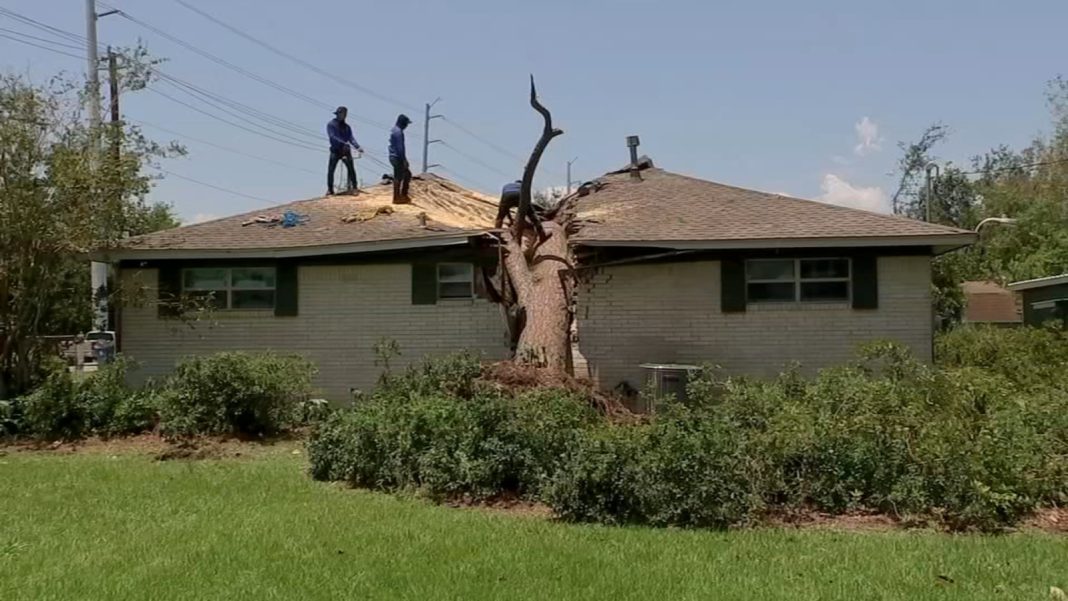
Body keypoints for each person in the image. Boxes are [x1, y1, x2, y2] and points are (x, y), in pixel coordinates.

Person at [326, 106, 362, 195]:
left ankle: (354, 187)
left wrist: (357, 146)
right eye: (342, 114)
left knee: (351, 169)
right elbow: (332, 136)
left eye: (345, 114)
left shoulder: (347, 127)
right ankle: (330, 189)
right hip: (335, 150)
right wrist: (342, 142)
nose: (344, 116)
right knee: (331, 170)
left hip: (345, 150)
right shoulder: (331, 124)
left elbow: (351, 138)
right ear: (338, 114)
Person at [389, 114, 412, 202]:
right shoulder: (398, 133)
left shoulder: (394, 130)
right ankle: (397, 197)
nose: (406, 126)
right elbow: (400, 148)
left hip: (393, 156)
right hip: (397, 157)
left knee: (404, 174)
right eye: (406, 124)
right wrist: (404, 160)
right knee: (400, 176)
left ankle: (402, 196)